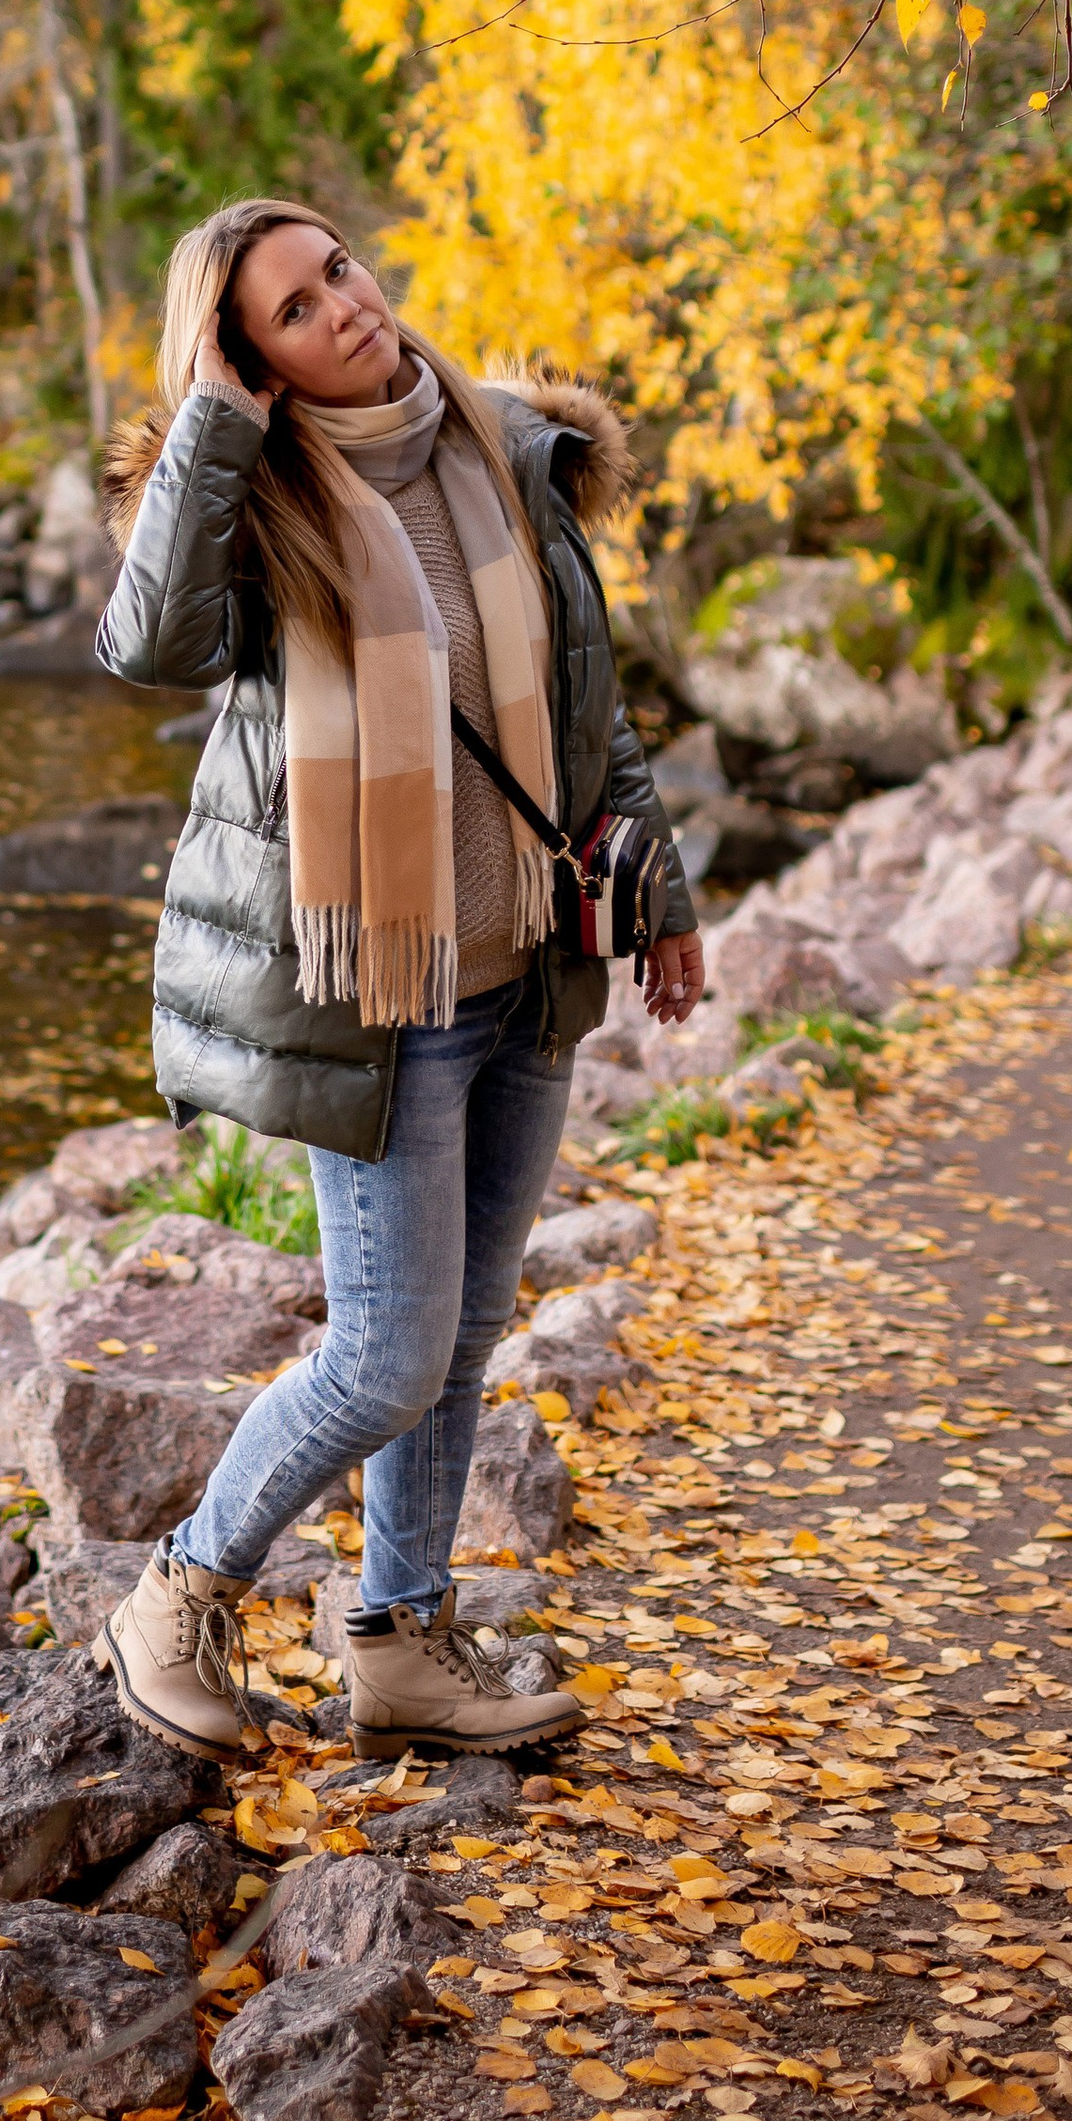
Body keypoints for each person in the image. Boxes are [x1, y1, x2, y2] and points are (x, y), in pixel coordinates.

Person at [92, 200, 705, 1765]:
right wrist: (218, 430)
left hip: (525, 968)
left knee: (467, 1334)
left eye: (338, 272)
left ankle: (401, 1642)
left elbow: (585, 714)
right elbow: (147, 640)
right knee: (385, 1354)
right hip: (382, 997)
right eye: (291, 310)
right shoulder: (258, 514)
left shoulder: (508, 454)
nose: (343, 309)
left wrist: (661, 892)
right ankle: (176, 1597)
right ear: (253, 358)